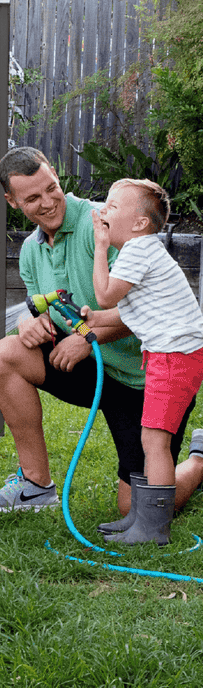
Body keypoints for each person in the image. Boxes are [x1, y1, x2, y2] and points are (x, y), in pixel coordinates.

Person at [0, 147, 203, 515]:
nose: (48, 202)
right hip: (93, 370)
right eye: (32, 197)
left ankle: (199, 462)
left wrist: (83, 340)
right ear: (12, 201)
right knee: (7, 354)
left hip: (144, 378)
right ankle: (34, 485)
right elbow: (40, 304)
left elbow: (152, 308)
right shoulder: (31, 250)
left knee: (137, 509)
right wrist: (27, 322)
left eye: (52, 188)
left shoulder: (107, 224)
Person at [86, 178, 203, 543]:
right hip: (172, 356)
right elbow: (120, 311)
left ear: (139, 223)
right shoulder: (144, 252)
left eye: (113, 206)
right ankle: (140, 517)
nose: (103, 212)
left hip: (174, 357)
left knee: (155, 442)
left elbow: (105, 297)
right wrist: (86, 319)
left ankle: (153, 528)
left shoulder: (137, 250)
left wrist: (101, 247)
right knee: (150, 438)